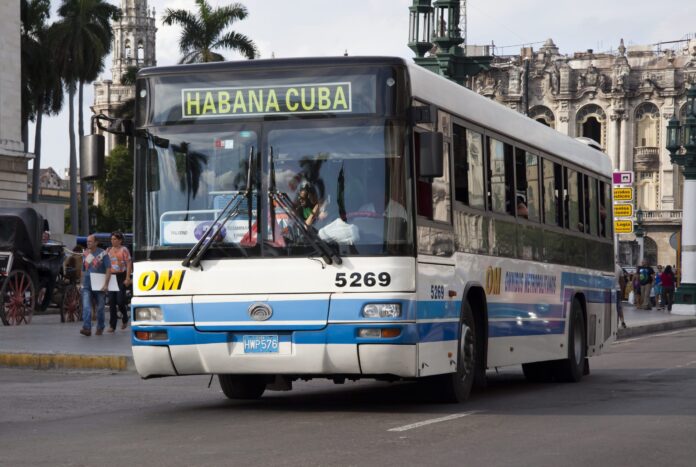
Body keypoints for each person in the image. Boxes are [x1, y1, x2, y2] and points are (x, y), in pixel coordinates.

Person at [80, 234, 111, 337]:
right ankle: (87, 328)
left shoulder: (103, 254)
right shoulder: (85, 254)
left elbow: (108, 269)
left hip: (99, 284)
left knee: (100, 308)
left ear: (96, 242)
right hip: (87, 284)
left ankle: (100, 326)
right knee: (86, 307)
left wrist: (106, 284)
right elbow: (83, 270)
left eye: (90, 241)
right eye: (87, 241)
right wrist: (81, 283)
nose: (88, 243)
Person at [107, 232, 132, 332]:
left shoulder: (124, 250)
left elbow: (129, 263)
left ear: (120, 240)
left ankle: (125, 316)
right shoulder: (108, 250)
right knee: (111, 302)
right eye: (112, 239)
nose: (113, 241)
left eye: (115, 239)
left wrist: (127, 278)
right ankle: (112, 325)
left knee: (120, 300)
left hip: (121, 276)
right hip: (112, 277)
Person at [615, 263, 627, 328]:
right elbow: (622, 282)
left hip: (609, 290)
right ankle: (622, 321)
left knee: (613, 307)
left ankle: (615, 322)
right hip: (617, 290)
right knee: (619, 307)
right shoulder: (619, 267)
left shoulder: (607, 266)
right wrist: (622, 292)